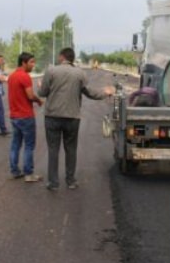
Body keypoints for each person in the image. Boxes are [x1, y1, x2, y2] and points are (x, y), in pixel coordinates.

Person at [37, 47, 115, 191]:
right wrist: (105, 92)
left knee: (53, 150)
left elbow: (42, 93)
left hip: (52, 117)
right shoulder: (80, 74)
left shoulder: (51, 71)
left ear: (62, 57)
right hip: (72, 118)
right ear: (72, 58)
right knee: (71, 149)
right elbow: (90, 93)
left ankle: (53, 183)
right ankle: (70, 181)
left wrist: (40, 86)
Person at [7, 52, 44, 181]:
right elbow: (30, 95)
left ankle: (15, 171)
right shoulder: (24, 76)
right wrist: (39, 100)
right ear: (24, 63)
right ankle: (29, 173)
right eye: (31, 62)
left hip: (14, 116)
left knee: (15, 144)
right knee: (29, 145)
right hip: (25, 116)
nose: (33, 65)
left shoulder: (12, 76)